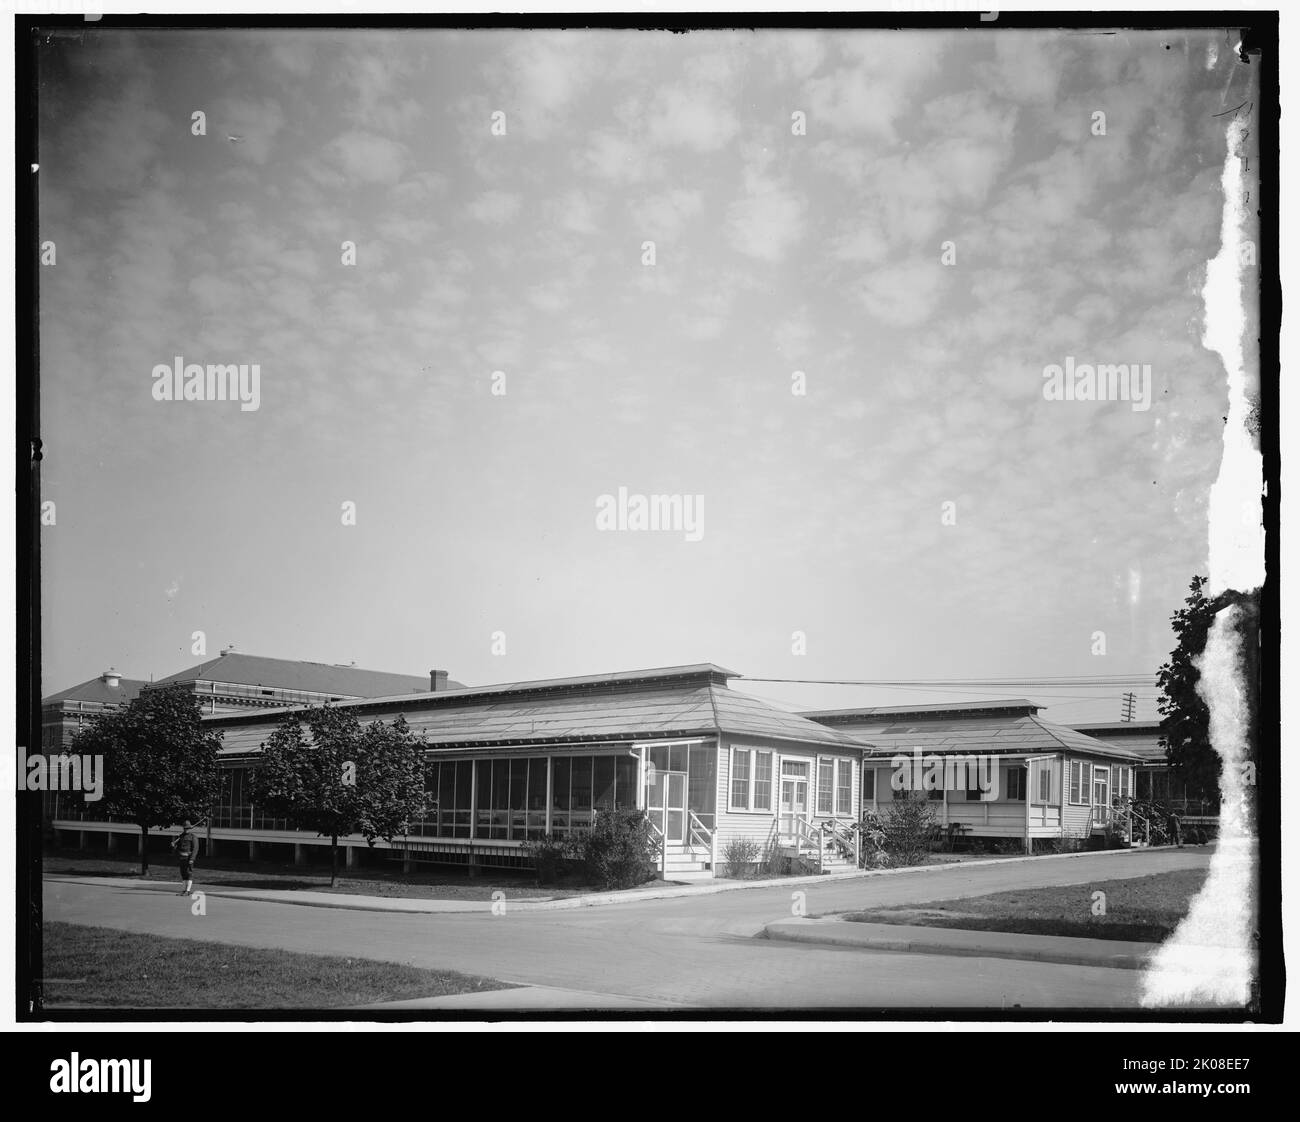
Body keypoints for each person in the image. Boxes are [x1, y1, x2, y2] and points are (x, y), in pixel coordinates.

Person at [171, 820, 199, 895]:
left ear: (190, 828)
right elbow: (179, 848)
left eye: (187, 828)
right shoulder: (181, 836)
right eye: (184, 828)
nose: (185, 830)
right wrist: (174, 846)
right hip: (181, 858)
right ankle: (184, 890)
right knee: (183, 874)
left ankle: (188, 890)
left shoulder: (193, 837)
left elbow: (195, 848)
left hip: (188, 858)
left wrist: (192, 859)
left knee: (189, 873)